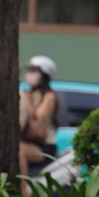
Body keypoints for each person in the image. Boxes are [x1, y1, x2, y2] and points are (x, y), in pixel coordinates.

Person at [19, 55, 60, 188]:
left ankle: (24, 192)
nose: (29, 74)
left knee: (19, 151)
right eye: (29, 70)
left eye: (34, 71)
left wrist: (26, 101)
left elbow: (38, 119)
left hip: (43, 147)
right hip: (27, 142)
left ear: (44, 75)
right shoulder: (27, 93)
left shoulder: (49, 96)